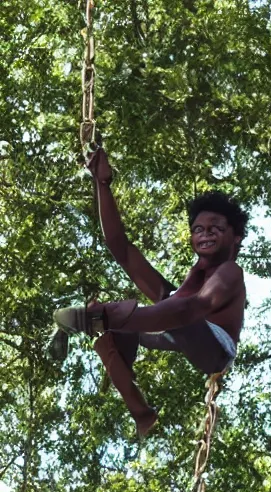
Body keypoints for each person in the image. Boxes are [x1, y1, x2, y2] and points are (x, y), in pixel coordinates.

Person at [54, 146, 247, 439]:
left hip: (213, 346)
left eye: (216, 228)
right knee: (111, 335)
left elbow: (194, 308)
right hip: (177, 324)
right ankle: (142, 413)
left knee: (137, 315)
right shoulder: (173, 293)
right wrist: (102, 184)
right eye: (198, 229)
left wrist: (112, 315)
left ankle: (100, 318)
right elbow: (122, 249)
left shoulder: (230, 273)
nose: (205, 234)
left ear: (236, 237)